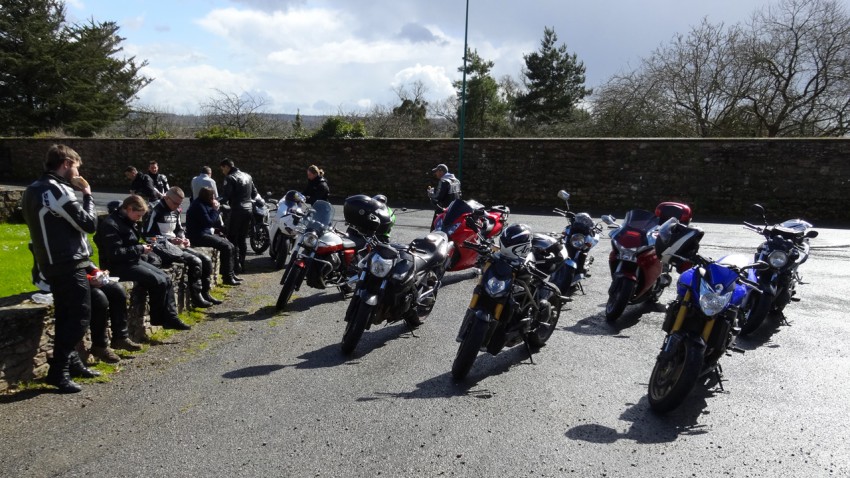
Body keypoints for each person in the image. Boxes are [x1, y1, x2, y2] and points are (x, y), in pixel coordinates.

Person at [22, 144, 101, 393]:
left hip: (51, 262)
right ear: (66, 163)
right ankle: (58, 371)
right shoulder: (56, 190)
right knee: (79, 317)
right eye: (76, 166)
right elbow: (89, 224)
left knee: (67, 316)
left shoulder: (33, 189)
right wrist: (87, 194)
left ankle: (72, 362)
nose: (78, 171)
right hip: (67, 262)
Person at [94, 195, 192, 331]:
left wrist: (142, 247)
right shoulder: (111, 225)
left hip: (131, 260)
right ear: (129, 209)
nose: (139, 219)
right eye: (138, 215)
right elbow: (115, 254)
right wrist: (140, 248)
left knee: (165, 278)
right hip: (118, 266)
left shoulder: (126, 220)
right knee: (158, 280)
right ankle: (160, 318)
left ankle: (171, 317)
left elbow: (129, 243)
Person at [143, 187, 221, 307]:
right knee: (195, 261)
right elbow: (147, 236)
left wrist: (184, 238)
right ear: (166, 198)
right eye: (175, 203)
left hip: (175, 245)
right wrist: (168, 240)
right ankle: (196, 297)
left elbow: (179, 229)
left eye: (179, 204)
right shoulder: (155, 210)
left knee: (206, 259)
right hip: (160, 247)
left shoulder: (176, 210)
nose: (177, 206)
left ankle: (206, 293)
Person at [186, 186, 241, 286]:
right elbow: (209, 222)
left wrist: (214, 209)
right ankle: (227, 277)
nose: (214, 199)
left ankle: (231, 274)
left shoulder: (205, 204)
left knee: (231, 245)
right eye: (212, 197)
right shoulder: (198, 206)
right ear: (207, 197)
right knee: (226, 247)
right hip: (198, 235)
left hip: (205, 233)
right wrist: (216, 210)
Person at [219, 158, 259, 274]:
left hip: (236, 210)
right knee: (242, 238)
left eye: (223, 169)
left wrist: (214, 201)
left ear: (227, 167)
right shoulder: (248, 176)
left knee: (232, 238)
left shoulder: (230, 178)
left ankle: (233, 266)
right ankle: (242, 263)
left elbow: (226, 196)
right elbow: (254, 193)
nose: (223, 172)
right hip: (248, 210)